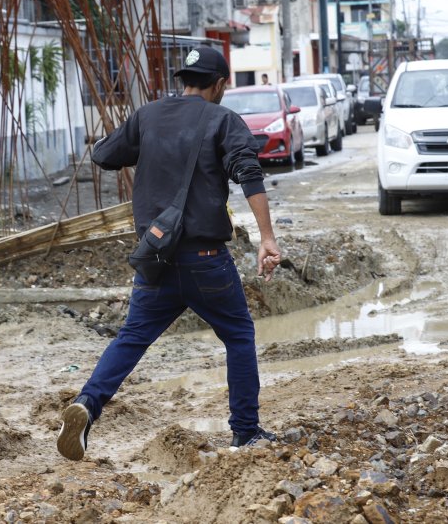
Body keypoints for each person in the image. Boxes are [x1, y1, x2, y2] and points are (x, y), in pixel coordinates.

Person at [57, 46, 283, 461]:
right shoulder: (222, 119)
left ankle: (87, 405)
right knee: (238, 335)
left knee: (131, 338)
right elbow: (249, 173)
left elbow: (104, 154)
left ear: (183, 81)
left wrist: (151, 142)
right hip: (205, 259)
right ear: (220, 85)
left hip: (155, 258)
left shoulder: (147, 115)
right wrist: (267, 238)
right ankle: (245, 433)